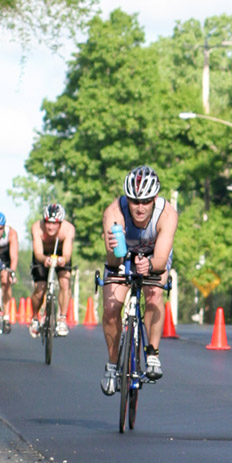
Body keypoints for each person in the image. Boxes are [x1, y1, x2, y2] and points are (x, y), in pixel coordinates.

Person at [100, 165, 177, 395]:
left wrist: (150, 266)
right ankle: (112, 366)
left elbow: (162, 260)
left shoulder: (167, 214)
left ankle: (152, 354)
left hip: (154, 256)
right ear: (127, 199)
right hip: (123, 256)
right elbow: (113, 263)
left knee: (154, 293)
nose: (140, 207)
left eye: (146, 201)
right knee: (111, 307)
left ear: (154, 198)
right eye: (134, 201)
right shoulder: (113, 212)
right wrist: (115, 251)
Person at [29, 203, 76, 338]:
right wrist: (45, 259)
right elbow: (38, 253)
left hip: (60, 252)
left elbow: (67, 254)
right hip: (42, 254)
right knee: (40, 288)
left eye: (54, 223)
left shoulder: (68, 229)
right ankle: (35, 318)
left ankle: (62, 319)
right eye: (48, 222)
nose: (50, 226)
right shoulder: (37, 228)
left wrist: (63, 259)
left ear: (60, 223)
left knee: (65, 281)